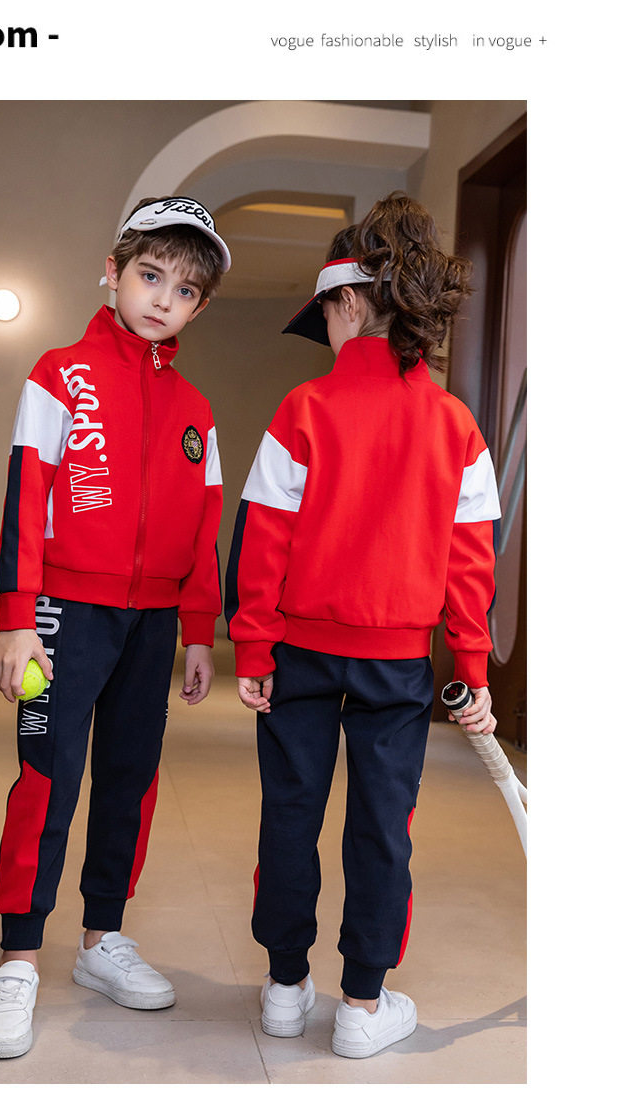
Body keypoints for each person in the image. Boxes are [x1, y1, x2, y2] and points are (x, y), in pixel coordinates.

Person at [225, 192, 501, 1059]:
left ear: (348, 303)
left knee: (290, 813)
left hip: (300, 655)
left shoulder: (301, 410)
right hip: (396, 667)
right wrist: (472, 671)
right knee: (383, 828)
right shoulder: (457, 426)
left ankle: (283, 989)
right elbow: (470, 566)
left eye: (326, 317)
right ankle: (361, 1005)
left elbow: (262, 541)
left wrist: (254, 644)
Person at [0, 196, 230, 1059]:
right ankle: (16, 959)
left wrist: (199, 629)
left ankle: (101, 938)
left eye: (184, 291)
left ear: (198, 307)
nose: (163, 299)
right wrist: (18, 618)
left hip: (151, 625)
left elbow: (205, 526)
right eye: (150, 276)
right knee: (48, 779)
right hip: (62, 614)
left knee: (131, 778)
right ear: (113, 272)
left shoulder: (197, 411)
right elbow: (27, 492)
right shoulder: (59, 374)